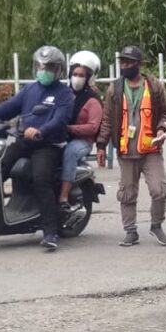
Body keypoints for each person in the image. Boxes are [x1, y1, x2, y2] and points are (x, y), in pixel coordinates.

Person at [0, 46, 74, 250]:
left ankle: (50, 231)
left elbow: (61, 119)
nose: (44, 70)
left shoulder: (64, 94)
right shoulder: (30, 89)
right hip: (23, 141)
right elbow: (8, 108)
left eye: (49, 67)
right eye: (41, 66)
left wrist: (41, 129)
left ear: (58, 69)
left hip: (47, 145)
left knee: (40, 180)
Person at [95, 46, 166, 247]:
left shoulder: (154, 86)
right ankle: (130, 231)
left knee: (159, 189)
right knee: (127, 193)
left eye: (129, 62)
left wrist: (162, 128)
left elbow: (165, 112)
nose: (124, 65)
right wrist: (101, 145)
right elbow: (107, 119)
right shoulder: (115, 89)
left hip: (151, 150)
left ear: (139, 64)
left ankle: (156, 225)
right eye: (122, 62)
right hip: (126, 151)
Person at [58, 51, 103, 214]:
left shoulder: (93, 100)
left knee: (69, 153)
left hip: (81, 142)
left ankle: (63, 197)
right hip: (60, 137)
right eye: (74, 74)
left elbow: (93, 127)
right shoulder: (63, 94)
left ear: (88, 77)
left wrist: (69, 128)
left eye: (81, 75)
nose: (77, 78)